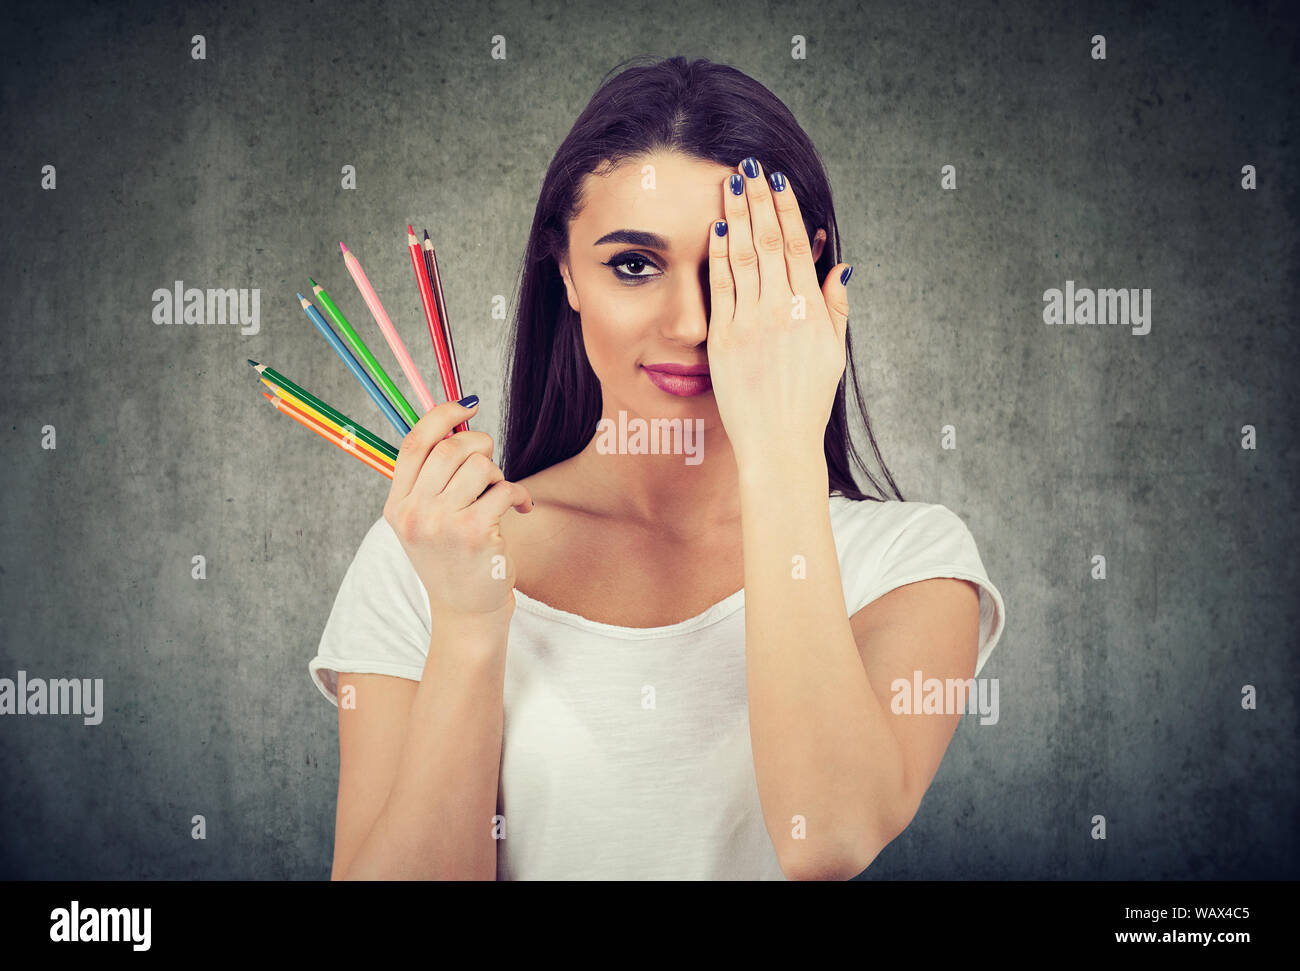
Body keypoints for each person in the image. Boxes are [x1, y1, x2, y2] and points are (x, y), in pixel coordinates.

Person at [308, 55, 1005, 880]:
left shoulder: (910, 564)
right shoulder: (428, 552)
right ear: (565, 272)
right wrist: (466, 628)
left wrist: (782, 444)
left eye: (730, 269)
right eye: (634, 265)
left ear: (807, 277)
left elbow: (829, 835)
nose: (688, 323)